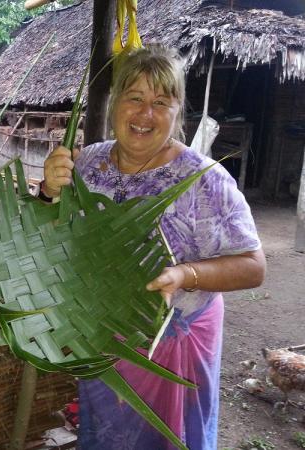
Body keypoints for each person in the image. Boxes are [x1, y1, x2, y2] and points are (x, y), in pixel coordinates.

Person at [41, 45, 266, 450]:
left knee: (169, 439)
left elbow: (254, 266)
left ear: (178, 110)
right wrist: (47, 191)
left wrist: (185, 274)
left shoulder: (203, 180)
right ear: (115, 105)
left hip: (175, 340)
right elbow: (56, 235)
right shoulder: (89, 163)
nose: (145, 114)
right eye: (136, 98)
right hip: (106, 337)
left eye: (161, 102)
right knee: (110, 435)